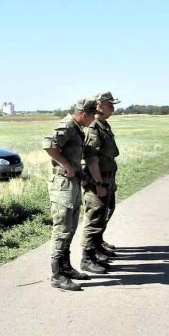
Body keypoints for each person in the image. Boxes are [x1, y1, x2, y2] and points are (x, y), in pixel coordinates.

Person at [42, 98, 107, 291]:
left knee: (70, 227)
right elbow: (48, 144)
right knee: (62, 227)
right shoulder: (68, 125)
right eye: (91, 117)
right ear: (84, 114)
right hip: (62, 184)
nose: (92, 122)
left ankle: (66, 267)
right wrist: (67, 165)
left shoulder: (77, 129)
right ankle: (57, 274)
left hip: (72, 183)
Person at [82, 91, 121, 267]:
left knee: (105, 212)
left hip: (107, 177)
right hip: (97, 179)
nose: (113, 108)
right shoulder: (93, 127)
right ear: (99, 105)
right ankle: (87, 257)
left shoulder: (103, 125)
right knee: (95, 216)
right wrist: (98, 183)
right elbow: (91, 158)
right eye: (109, 105)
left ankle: (97, 246)